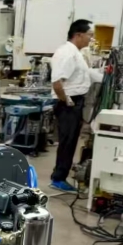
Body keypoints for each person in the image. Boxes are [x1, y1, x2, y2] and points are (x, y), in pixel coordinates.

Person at [50, 19, 100, 192]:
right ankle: (58, 179)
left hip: (75, 102)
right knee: (67, 142)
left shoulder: (76, 53)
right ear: (78, 35)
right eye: (89, 35)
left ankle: (60, 173)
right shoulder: (67, 54)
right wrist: (67, 101)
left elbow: (84, 75)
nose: (91, 39)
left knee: (70, 141)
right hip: (69, 103)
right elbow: (57, 83)